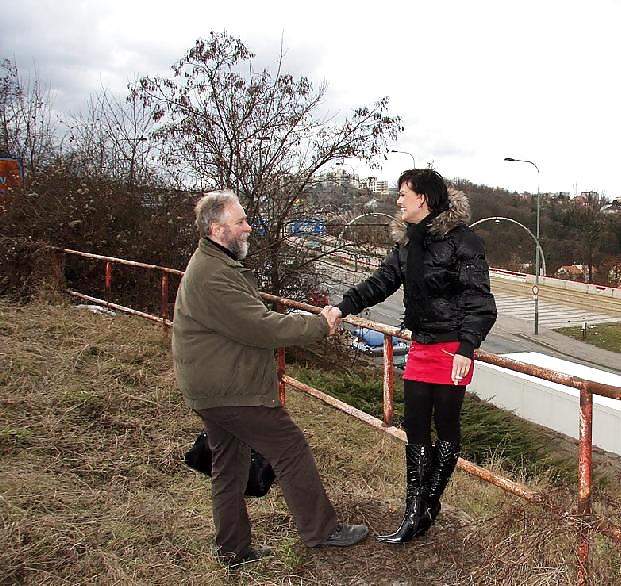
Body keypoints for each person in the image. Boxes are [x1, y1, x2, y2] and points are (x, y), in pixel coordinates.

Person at [172, 189, 368, 568]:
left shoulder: (213, 266)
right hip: (233, 390)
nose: (248, 228)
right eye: (241, 221)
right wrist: (319, 324)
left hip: (211, 387)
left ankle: (233, 549)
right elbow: (262, 327)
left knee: (227, 466)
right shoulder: (213, 276)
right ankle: (322, 530)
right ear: (217, 229)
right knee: (290, 448)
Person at [331, 169, 497, 543]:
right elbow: (380, 283)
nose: (398, 200)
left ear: (423, 197)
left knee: (448, 429)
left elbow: (480, 300)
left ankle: (427, 506)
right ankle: (414, 510)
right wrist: (341, 308)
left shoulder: (464, 241)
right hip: (422, 345)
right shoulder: (408, 244)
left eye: (404, 193)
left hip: (454, 348)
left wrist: (467, 347)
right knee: (415, 427)